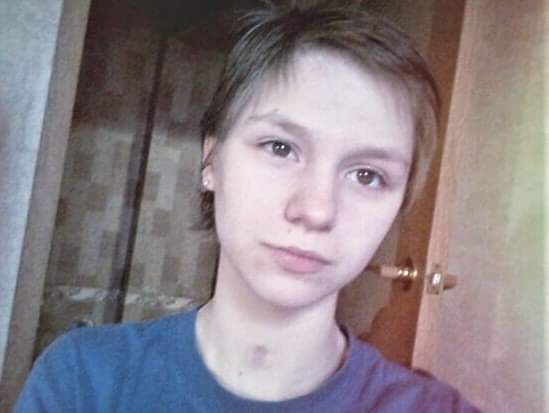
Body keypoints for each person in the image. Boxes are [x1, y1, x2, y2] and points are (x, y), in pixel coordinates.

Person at [15, 1, 481, 412]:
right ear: (211, 161)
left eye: (367, 175)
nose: (316, 210)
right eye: (280, 148)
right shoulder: (82, 379)